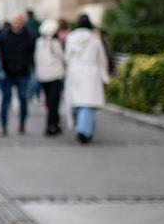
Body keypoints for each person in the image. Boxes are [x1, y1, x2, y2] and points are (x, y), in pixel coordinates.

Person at [64, 14, 109, 144]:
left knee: (79, 102)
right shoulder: (95, 39)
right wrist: (104, 77)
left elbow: (67, 57)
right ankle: (84, 130)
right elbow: (101, 59)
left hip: (75, 72)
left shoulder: (71, 38)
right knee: (88, 103)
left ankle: (84, 129)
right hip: (91, 72)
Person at [0, 11, 36, 135]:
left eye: (19, 22)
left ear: (23, 23)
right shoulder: (4, 35)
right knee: (5, 99)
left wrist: (27, 64)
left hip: (22, 73)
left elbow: (31, 53)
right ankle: (3, 125)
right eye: (15, 22)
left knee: (23, 98)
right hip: (7, 73)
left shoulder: (29, 36)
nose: (17, 24)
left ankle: (22, 123)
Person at [34, 19, 65, 136]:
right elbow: (63, 57)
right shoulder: (55, 43)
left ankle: (52, 124)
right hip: (55, 75)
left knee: (48, 101)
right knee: (54, 102)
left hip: (43, 76)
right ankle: (52, 124)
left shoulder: (39, 42)